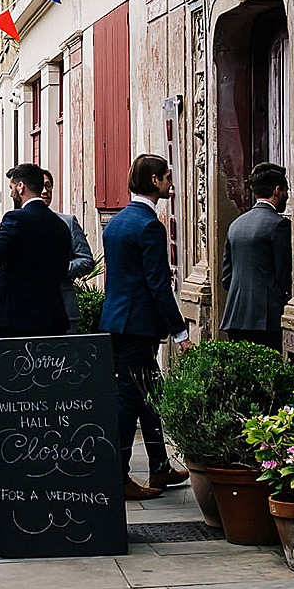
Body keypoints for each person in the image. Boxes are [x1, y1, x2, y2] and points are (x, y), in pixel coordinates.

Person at [99, 153, 193, 502]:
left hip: (116, 319)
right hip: (138, 324)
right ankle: (118, 475)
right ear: (155, 181)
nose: (171, 182)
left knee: (149, 395)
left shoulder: (119, 222)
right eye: (167, 176)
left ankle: (160, 465)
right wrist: (180, 331)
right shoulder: (150, 225)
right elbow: (157, 284)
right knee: (129, 398)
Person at [0, 164, 71, 336]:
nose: (11, 193)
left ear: (21, 187)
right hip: (52, 315)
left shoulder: (16, 218)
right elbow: (63, 269)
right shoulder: (60, 225)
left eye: (11, 188)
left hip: (19, 316)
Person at [220, 163, 293, 353]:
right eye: (285, 191)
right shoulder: (279, 225)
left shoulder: (236, 225)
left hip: (235, 317)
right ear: (278, 190)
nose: (286, 196)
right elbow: (283, 276)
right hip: (266, 320)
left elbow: (227, 277)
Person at [42, 169, 97, 330]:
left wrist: (61, 269)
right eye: (41, 186)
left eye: (49, 186)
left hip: (64, 307)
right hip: (30, 311)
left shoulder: (68, 222)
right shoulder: (18, 223)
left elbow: (86, 260)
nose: (45, 191)